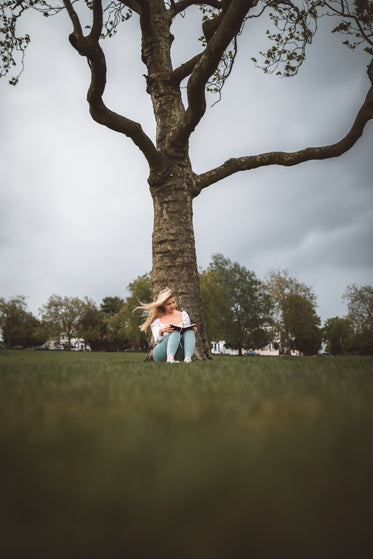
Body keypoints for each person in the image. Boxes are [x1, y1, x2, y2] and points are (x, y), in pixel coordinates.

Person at [137, 288, 197, 363]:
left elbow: (186, 336)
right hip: (161, 352)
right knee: (174, 332)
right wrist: (161, 331)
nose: (172, 306)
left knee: (189, 331)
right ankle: (170, 359)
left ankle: (187, 358)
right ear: (163, 305)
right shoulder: (156, 319)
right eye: (169, 304)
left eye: (173, 302)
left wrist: (192, 332)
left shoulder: (183, 315)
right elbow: (157, 340)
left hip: (179, 351)